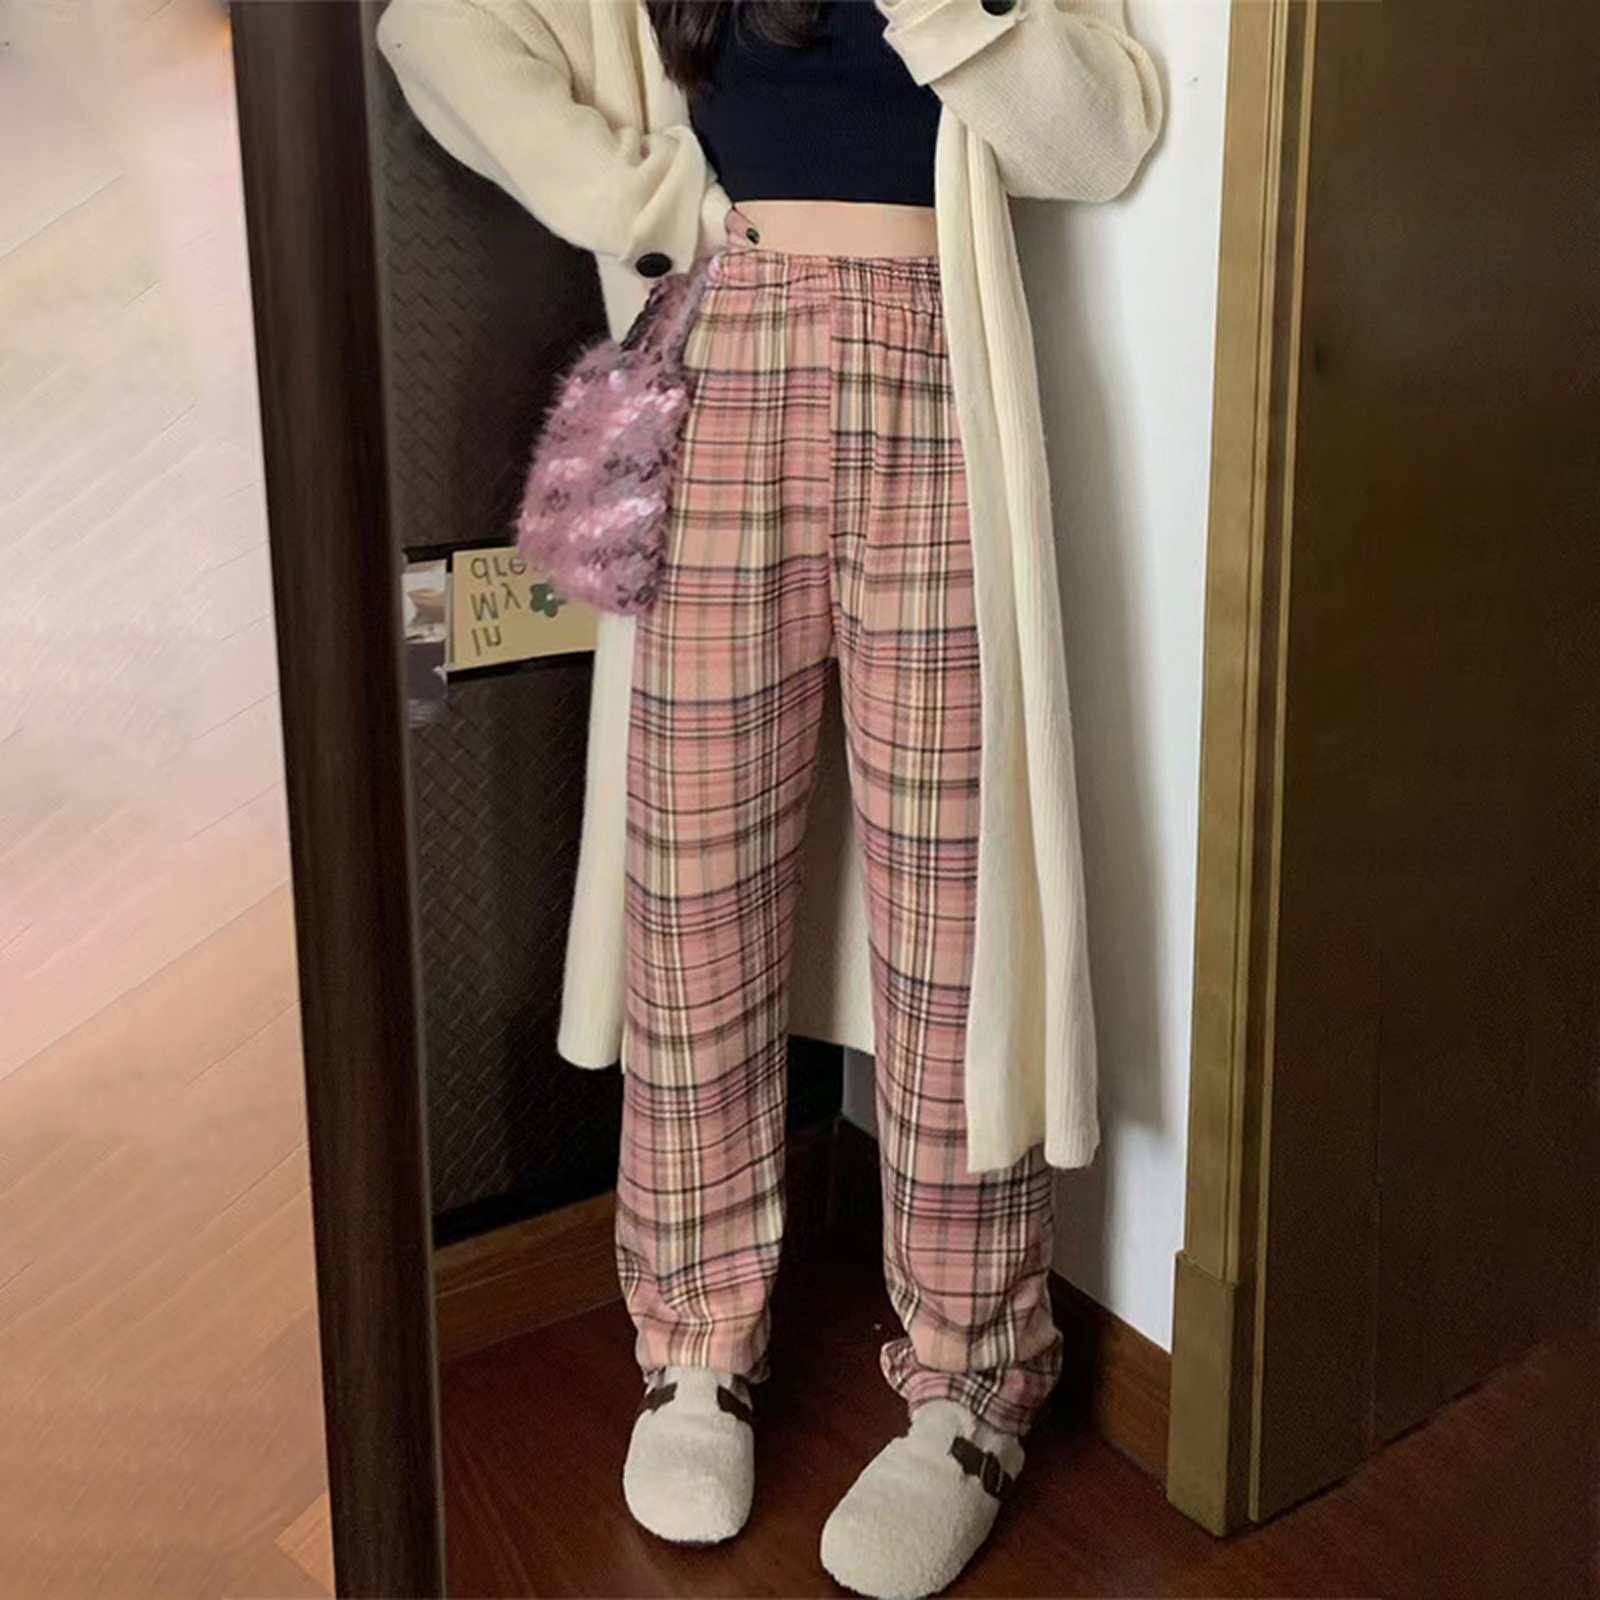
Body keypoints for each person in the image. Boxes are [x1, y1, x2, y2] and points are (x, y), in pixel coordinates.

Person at [376, 1, 1162, 1593]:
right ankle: (697, 1348)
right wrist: (649, 205)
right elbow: (435, 29)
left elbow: (1106, 131)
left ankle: (972, 1385)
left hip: (941, 367)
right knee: (698, 891)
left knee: (960, 908)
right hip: (719, 365)